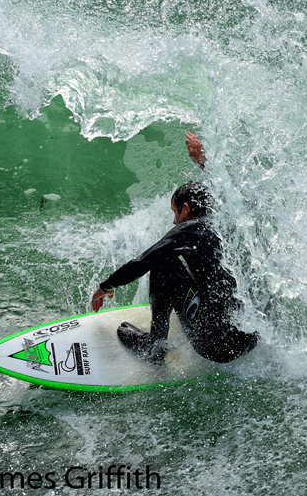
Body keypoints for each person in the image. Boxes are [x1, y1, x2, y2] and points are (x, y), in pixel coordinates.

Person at [90, 135, 258, 364]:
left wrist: (105, 287)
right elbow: (228, 192)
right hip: (249, 337)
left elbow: (142, 263)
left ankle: (155, 349)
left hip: (216, 345)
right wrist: (201, 161)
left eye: (175, 212)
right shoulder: (229, 221)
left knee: (163, 263)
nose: (174, 222)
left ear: (186, 209)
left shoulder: (191, 229)